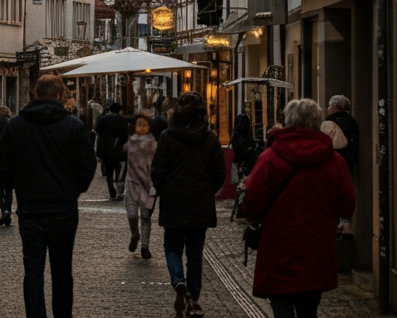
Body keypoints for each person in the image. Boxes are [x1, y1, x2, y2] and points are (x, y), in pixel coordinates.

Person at [240, 98, 356, 318]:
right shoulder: (335, 161)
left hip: (278, 243)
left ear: (288, 121)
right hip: (317, 244)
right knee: (309, 305)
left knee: (281, 302)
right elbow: (347, 204)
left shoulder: (271, 157)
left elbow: (251, 202)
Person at [0, 74, 97, 318]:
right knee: (62, 270)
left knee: (33, 269)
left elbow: (3, 165)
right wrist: (75, 190)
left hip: (30, 208)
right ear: (60, 96)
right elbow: (87, 166)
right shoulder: (74, 126)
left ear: (35, 94)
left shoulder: (16, 125)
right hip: (63, 209)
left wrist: (15, 189)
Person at [151, 92, 225, 318]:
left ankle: (178, 281)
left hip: (174, 201)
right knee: (194, 254)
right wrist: (205, 191)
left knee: (172, 247)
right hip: (199, 204)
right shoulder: (210, 138)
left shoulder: (167, 137)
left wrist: (166, 191)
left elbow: (157, 171)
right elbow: (220, 174)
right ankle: (194, 301)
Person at [123, 113, 158, 259]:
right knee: (131, 214)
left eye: (144, 125)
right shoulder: (129, 142)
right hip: (131, 182)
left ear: (149, 127)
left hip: (147, 183)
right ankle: (134, 234)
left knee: (145, 216)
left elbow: (156, 165)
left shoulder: (154, 144)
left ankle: (145, 246)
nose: (141, 127)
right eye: (139, 124)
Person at [95, 99, 130, 200]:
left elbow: (97, 129)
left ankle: (112, 191)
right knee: (118, 169)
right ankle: (119, 190)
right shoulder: (122, 120)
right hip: (117, 147)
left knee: (109, 171)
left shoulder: (103, 118)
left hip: (105, 147)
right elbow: (125, 134)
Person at [324, 95, 359, 175]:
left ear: (334, 107)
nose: (327, 109)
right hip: (348, 162)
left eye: (329, 106)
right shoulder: (352, 122)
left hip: (332, 164)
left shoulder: (329, 122)